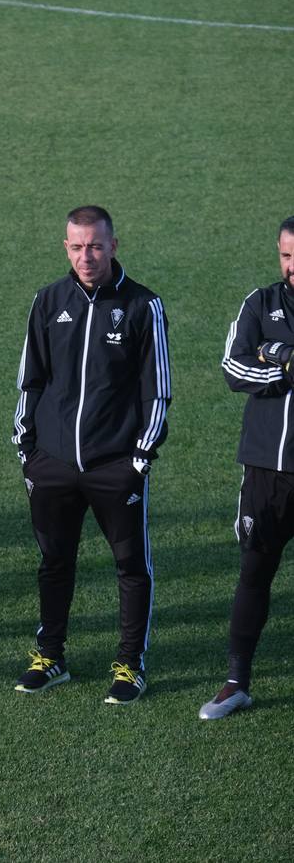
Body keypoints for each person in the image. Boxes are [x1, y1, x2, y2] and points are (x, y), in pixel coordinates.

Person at [11, 205, 171, 705]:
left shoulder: (144, 306)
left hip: (115, 466)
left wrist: (139, 458)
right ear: (66, 247)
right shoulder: (48, 300)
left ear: (114, 245)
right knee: (54, 562)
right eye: (77, 247)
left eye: (96, 246)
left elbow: (157, 391)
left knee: (130, 566)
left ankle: (129, 665)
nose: (87, 256)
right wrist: (27, 451)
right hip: (53, 465)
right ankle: (50, 656)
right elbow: (29, 379)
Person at [201, 215, 294, 719]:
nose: (292, 266)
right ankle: (236, 682)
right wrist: (283, 365)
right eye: (286, 256)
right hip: (268, 470)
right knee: (255, 572)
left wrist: (276, 351)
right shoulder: (261, 303)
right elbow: (233, 368)